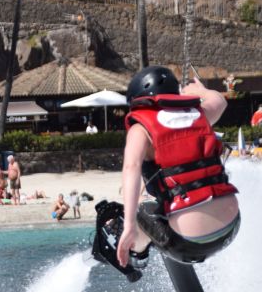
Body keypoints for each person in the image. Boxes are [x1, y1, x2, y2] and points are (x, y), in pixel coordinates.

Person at [100, 66, 240, 278]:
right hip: (232, 228)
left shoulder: (141, 128)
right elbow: (220, 100)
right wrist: (200, 91)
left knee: (139, 207)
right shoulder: (199, 115)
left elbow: (131, 168)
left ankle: (137, 253)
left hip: (187, 244)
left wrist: (128, 225)